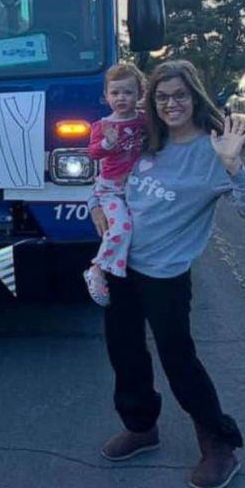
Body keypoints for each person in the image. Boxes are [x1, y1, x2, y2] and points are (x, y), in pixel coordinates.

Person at [90, 59, 245, 488]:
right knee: (125, 353)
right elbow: (107, 178)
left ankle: (218, 444)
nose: (171, 104)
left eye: (180, 95)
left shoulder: (212, 152)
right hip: (121, 267)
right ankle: (141, 426)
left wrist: (233, 166)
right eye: (162, 96)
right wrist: (95, 206)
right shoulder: (149, 142)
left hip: (165, 275)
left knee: (178, 360)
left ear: (194, 97)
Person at [85, 63, 147, 306]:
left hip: (140, 188)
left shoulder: (144, 121)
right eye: (115, 93)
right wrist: (108, 143)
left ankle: (124, 279)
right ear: (106, 96)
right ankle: (97, 270)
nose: (121, 98)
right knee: (120, 229)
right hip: (110, 190)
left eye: (128, 92)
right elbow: (92, 153)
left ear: (139, 94)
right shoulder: (102, 126)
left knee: (138, 232)